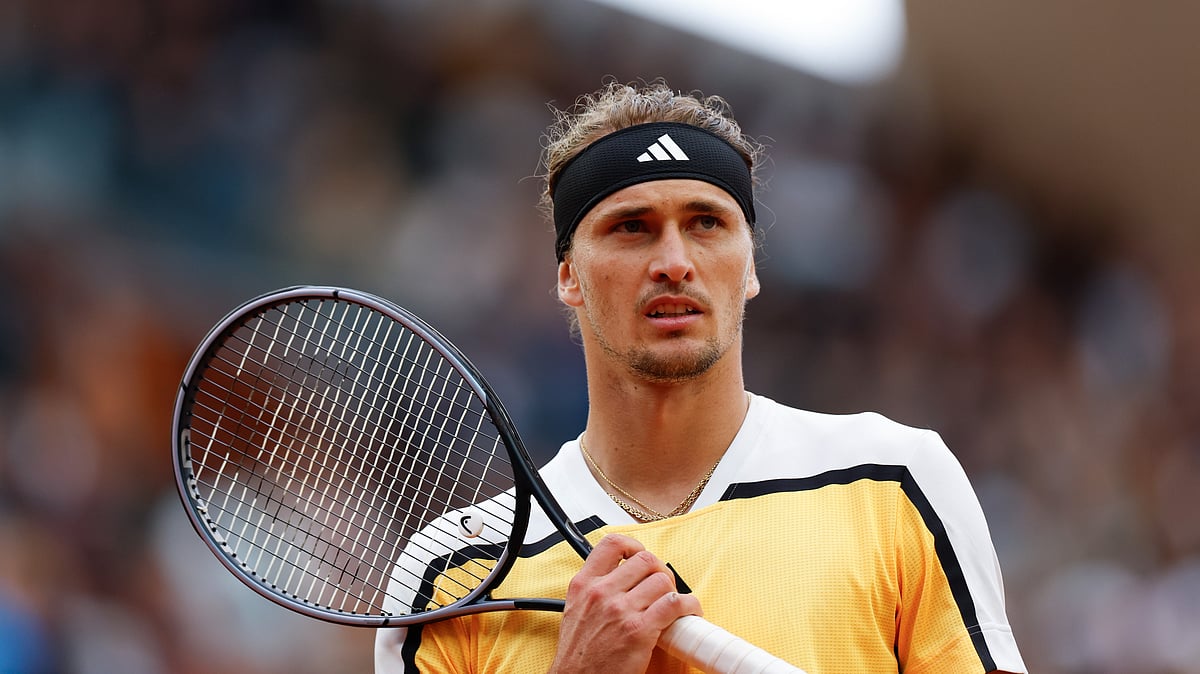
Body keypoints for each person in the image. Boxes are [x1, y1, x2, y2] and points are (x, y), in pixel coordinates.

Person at [375, 79, 1026, 673]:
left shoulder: (894, 482)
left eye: (706, 223)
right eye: (631, 227)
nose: (674, 261)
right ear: (568, 276)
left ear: (748, 267)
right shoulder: (455, 575)